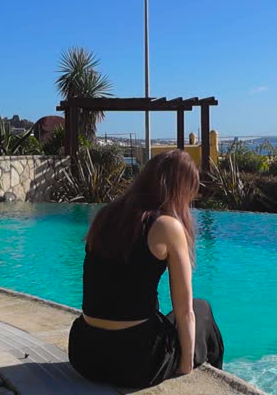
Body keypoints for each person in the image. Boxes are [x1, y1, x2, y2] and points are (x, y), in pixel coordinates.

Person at [68, 150, 224, 389]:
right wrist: (185, 365)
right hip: (136, 362)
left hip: (84, 354)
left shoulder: (105, 215)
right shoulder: (166, 226)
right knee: (201, 308)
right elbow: (185, 312)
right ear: (179, 189)